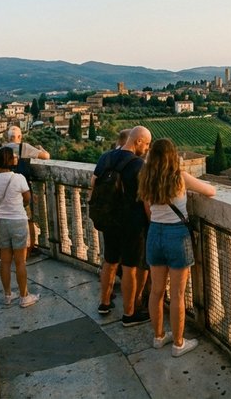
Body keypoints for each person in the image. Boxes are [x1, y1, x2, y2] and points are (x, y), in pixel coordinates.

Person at [138, 138, 217, 357]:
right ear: (173, 156)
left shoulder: (146, 178)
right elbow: (211, 192)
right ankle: (179, 343)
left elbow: (148, 208)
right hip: (176, 236)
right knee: (178, 293)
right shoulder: (180, 178)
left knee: (156, 291)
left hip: (154, 234)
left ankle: (159, 336)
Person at [92, 127, 151, 324]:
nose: (147, 148)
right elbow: (146, 200)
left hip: (109, 219)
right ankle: (129, 313)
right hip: (131, 222)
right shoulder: (139, 165)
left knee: (109, 261)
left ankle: (104, 302)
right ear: (139, 141)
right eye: (147, 144)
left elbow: (93, 184)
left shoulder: (105, 158)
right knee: (130, 267)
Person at [0, 147, 40, 307]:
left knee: (5, 261)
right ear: (10, 161)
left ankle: (8, 295)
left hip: (1, 222)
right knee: (20, 262)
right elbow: (27, 199)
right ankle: (24, 297)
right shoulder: (19, 178)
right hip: (17, 220)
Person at [2, 126, 49, 255]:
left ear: (8, 137)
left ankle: (10, 248)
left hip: (5, 191)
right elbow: (46, 156)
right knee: (29, 220)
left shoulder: (2, 150)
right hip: (23, 190)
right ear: (20, 137)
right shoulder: (25, 147)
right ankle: (30, 248)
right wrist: (41, 149)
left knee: (9, 219)